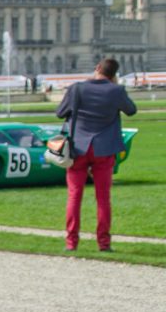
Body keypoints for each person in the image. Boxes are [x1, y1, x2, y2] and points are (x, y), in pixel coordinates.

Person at [57, 57, 137, 252]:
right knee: (103, 198)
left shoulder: (77, 88)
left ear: (97, 68)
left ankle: (71, 241)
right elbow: (131, 110)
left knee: (75, 196)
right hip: (104, 148)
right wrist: (115, 88)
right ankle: (104, 243)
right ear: (114, 74)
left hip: (79, 148)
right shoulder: (116, 90)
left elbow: (60, 113)